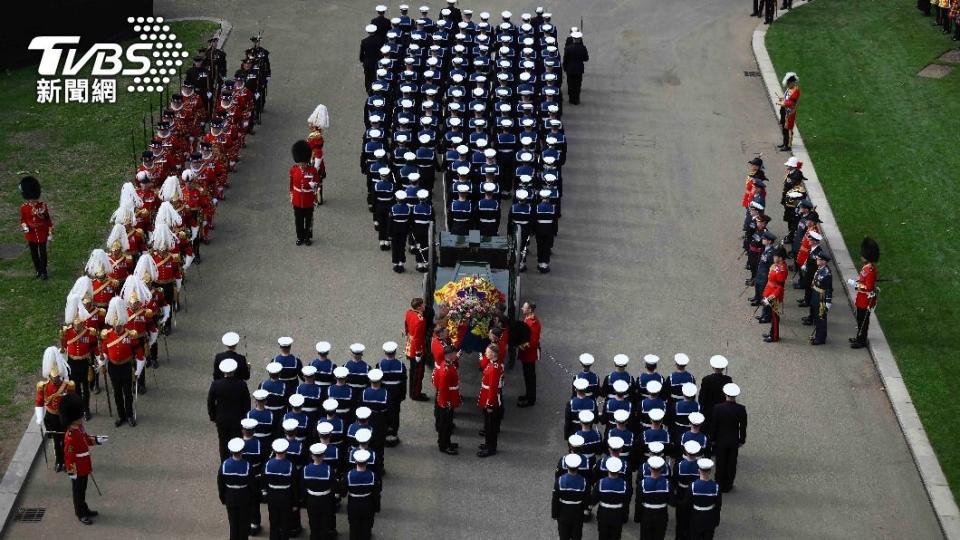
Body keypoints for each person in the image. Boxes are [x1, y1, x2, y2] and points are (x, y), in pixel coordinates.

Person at [60, 394, 107, 525]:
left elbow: (86, 439)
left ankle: (84, 509)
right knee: (78, 492)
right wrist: (72, 471)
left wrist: (97, 440)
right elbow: (69, 457)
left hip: (84, 465)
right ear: (72, 418)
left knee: (83, 490)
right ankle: (80, 513)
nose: (81, 417)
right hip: (77, 469)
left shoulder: (79, 428)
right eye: (79, 416)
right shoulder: (70, 436)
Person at [100, 296, 144, 427]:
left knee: (127, 393)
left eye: (119, 326)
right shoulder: (108, 335)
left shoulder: (130, 335)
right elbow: (104, 351)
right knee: (117, 393)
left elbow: (139, 352)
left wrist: (139, 369)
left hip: (126, 366)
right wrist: (102, 362)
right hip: (113, 367)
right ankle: (121, 415)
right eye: (115, 326)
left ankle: (130, 415)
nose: (117, 328)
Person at [35, 347, 74, 471]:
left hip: (64, 416)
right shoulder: (44, 387)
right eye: (54, 378)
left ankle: (68, 461)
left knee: (67, 441)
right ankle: (59, 461)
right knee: (56, 442)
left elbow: (73, 402)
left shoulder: (67, 386)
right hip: (52, 417)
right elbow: (39, 402)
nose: (56, 380)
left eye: (57, 377)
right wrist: (39, 417)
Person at [60, 294, 97, 420]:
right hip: (72, 362)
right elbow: (64, 345)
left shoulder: (88, 332)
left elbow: (93, 346)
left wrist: (99, 357)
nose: (78, 327)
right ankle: (78, 409)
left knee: (86, 389)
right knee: (75, 388)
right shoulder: (68, 332)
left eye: (80, 324)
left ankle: (86, 409)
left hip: (84, 362)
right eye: (76, 325)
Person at [209, 359, 252, 460]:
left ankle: (225, 463)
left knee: (223, 443)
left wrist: (213, 416)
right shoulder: (241, 384)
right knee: (237, 441)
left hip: (222, 418)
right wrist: (245, 418)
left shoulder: (216, 384)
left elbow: (210, 402)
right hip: (237, 418)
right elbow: (247, 403)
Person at [709, 383, 747, 493]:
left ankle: (719, 483)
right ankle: (728, 484)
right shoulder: (741, 409)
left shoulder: (718, 408)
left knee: (720, 462)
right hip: (733, 439)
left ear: (725, 394)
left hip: (720, 440)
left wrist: (712, 438)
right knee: (731, 462)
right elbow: (743, 427)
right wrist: (742, 440)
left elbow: (714, 425)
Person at [218, 437, 254, 540]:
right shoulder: (247, 466)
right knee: (243, 525)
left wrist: (222, 497)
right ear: (242, 450)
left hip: (230, 498)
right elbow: (252, 485)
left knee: (233, 525)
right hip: (244, 498)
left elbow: (220, 484)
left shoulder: (224, 465)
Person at [18, 176, 53, 280]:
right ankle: (38, 269)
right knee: (34, 254)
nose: (32, 201)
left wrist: (50, 232)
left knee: (43, 253)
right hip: (31, 234)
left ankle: (44, 271)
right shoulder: (24, 207)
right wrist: (25, 227)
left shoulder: (42, 206)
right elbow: (23, 220)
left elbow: (47, 219)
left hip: (42, 232)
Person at [264, 438, 298, 540]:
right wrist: (296, 502)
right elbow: (295, 486)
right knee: (285, 524)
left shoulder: (268, 464)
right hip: (286, 498)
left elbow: (264, 481)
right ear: (286, 450)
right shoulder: (291, 466)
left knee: (273, 522)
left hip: (272, 497)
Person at [302, 443, 337, 540]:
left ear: (312, 456)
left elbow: (303, 486)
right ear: (324, 456)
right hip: (326, 499)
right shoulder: (329, 470)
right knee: (325, 523)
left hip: (311, 499)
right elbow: (334, 486)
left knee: (313, 523)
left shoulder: (305, 469)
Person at [849, 237, 880, 349]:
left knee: (863, 321)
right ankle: (859, 336)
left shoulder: (870, 270)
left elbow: (868, 287)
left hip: (866, 299)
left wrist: (855, 285)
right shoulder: (867, 267)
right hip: (861, 298)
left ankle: (862, 340)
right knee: (860, 318)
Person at [375, 341, 406, 446]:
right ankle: (394, 434)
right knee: (395, 414)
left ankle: (384, 435)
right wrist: (403, 395)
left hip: (383, 395)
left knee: (384, 415)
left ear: (385, 352)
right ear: (395, 352)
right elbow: (403, 382)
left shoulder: (379, 365)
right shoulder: (401, 366)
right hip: (396, 396)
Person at [343, 448, 379, 540]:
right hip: (368, 503)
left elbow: (343, 492)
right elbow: (376, 493)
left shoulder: (349, 475)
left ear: (355, 461)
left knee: (354, 527)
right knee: (366, 527)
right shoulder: (372, 476)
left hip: (353, 504)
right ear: (367, 462)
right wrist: (376, 506)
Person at [681, 458, 722, 539]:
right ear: (710, 471)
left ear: (699, 470)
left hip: (695, 517)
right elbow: (718, 506)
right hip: (709, 518)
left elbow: (686, 505)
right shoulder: (716, 487)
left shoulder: (692, 486)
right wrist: (716, 520)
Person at [289, 140, 319, 246]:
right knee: (298, 221)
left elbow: (316, 185)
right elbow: (291, 184)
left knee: (309, 220)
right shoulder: (294, 170)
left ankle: (307, 237)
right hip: (297, 200)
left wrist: (313, 186)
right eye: (300, 163)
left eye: (303, 163)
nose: (302, 165)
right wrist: (291, 194)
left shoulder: (313, 171)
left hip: (308, 199)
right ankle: (300, 237)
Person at [552, 453, 588, 540]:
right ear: (578, 466)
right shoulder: (584, 482)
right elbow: (587, 500)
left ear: (567, 466)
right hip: (578, 514)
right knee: (577, 536)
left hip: (563, 514)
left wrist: (554, 514)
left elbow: (555, 500)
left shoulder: (559, 481)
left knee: (563, 536)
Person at [634, 456, 670, 540]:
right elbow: (671, 501)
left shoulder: (642, 484)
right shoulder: (668, 484)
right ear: (661, 469)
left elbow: (638, 502)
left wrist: (637, 517)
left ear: (649, 469)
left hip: (646, 514)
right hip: (662, 515)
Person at [477, 343, 503, 457]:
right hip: (486, 395)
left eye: (487, 352)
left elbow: (493, 388)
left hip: (490, 399)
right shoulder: (492, 364)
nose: (485, 354)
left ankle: (491, 448)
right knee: (488, 425)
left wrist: (490, 405)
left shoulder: (493, 369)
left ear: (493, 354)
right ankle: (488, 444)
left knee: (491, 426)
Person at [593, 456, 628, 540]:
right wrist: (624, 517)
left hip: (603, 514)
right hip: (618, 514)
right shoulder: (624, 485)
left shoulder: (600, 483)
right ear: (619, 470)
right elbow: (626, 502)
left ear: (608, 469)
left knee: (603, 536)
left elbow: (594, 499)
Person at [435, 345, 461, 454]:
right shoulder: (446, 370)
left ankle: (446, 442)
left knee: (447, 424)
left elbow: (436, 380)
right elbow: (443, 388)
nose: (456, 355)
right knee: (445, 425)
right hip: (446, 401)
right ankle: (444, 446)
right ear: (449, 355)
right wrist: (446, 403)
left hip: (447, 399)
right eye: (455, 354)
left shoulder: (446, 364)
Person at [403, 298, 429, 401]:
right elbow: (418, 338)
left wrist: (407, 334)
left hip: (410, 344)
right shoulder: (420, 320)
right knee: (418, 373)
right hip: (416, 349)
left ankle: (413, 392)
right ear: (419, 307)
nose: (424, 306)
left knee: (413, 370)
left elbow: (406, 324)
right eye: (423, 305)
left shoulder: (409, 312)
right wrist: (418, 353)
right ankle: (416, 394)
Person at [761, 247, 789, 343]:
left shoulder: (782, 270)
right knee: (772, 316)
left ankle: (774, 336)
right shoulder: (776, 265)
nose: (773, 257)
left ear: (780, 258)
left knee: (775, 317)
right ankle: (771, 332)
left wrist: (770, 298)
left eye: (775, 256)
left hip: (774, 296)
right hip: (769, 291)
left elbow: (779, 288)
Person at [517, 301, 541, 407]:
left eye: (524, 307)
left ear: (530, 310)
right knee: (527, 376)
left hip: (529, 355)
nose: (522, 308)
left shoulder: (533, 324)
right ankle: (528, 395)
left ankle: (531, 399)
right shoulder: (528, 319)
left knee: (530, 377)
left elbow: (532, 342)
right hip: (526, 354)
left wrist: (519, 345)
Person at [807, 250, 834, 345]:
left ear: (824, 261)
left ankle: (820, 338)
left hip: (821, 298)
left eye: (819, 259)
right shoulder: (820, 269)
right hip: (816, 295)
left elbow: (829, 289)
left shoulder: (827, 274)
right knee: (816, 317)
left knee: (821, 318)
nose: (817, 260)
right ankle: (818, 335)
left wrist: (828, 302)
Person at [698, 356, 731, 429]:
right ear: (723, 368)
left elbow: (701, 398)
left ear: (713, 367)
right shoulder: (728, 380)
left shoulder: (706, 380)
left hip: (708, 411)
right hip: (722, 411)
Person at [533, 189, 559, 273]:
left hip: (539, 229)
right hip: (549, 229)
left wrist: (534, 230)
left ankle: (540, 262)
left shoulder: (537, 207)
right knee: (547, 247)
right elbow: (555, 221)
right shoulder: (552, 208)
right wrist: (555, 231)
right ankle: (545, 264)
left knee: (540, 246)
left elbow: (534, 220)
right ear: (548, 198)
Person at [562, 31, 589, 104]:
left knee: (570, 84)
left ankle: (571, 98)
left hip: (570, 68)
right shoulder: (583, 48)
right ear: (579, 39)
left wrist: (564, 68)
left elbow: (565, 59)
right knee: (578, 84)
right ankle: (576, 98)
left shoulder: (568, 48)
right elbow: (586, 58)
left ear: (573, 39)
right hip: (579, 68)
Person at [388, 191, 412, 272]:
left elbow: (390, 222)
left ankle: (395, 263)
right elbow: (409, 221)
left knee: (395, 247)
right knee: (402, 246)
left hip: (395, 229)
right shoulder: (408, 208)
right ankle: (401, 263)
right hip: (404, 230)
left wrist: (389, 233)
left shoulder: (393, 208)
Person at [359, 24, 385, 94]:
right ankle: (376, 90)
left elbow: (362, 53)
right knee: (376, 77)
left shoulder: (364, 41)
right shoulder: (380, 40)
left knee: (368, 78)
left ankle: (368, 90)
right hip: (377, 62)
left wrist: (362, 60)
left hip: (367, 63)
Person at [777, 72, 800, 151]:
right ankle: (784, 143)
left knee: (787, 128)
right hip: (784, 110)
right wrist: (782, 99)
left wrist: (783, 103)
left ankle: (787, 145)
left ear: (792, 82)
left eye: (789, 83)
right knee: (783, 126)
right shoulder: (789, 89)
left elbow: (792, 103)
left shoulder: (796, 91)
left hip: (789, 112)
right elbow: (786, 98)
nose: (787, 85)